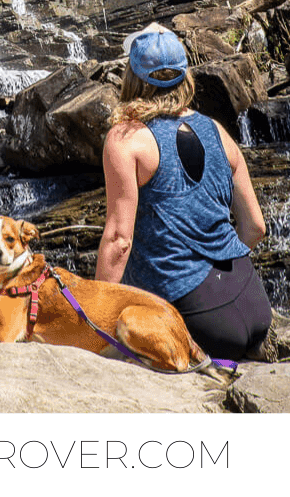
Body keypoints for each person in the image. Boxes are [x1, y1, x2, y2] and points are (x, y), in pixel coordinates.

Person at [97, 22, 272, 363]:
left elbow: (119, 240)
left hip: (198, 320)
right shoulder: (218, 131)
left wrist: (97, 317)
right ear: (184, 77)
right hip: (253, 305)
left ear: (132, 78)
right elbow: (256, 228)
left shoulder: (126, 139)